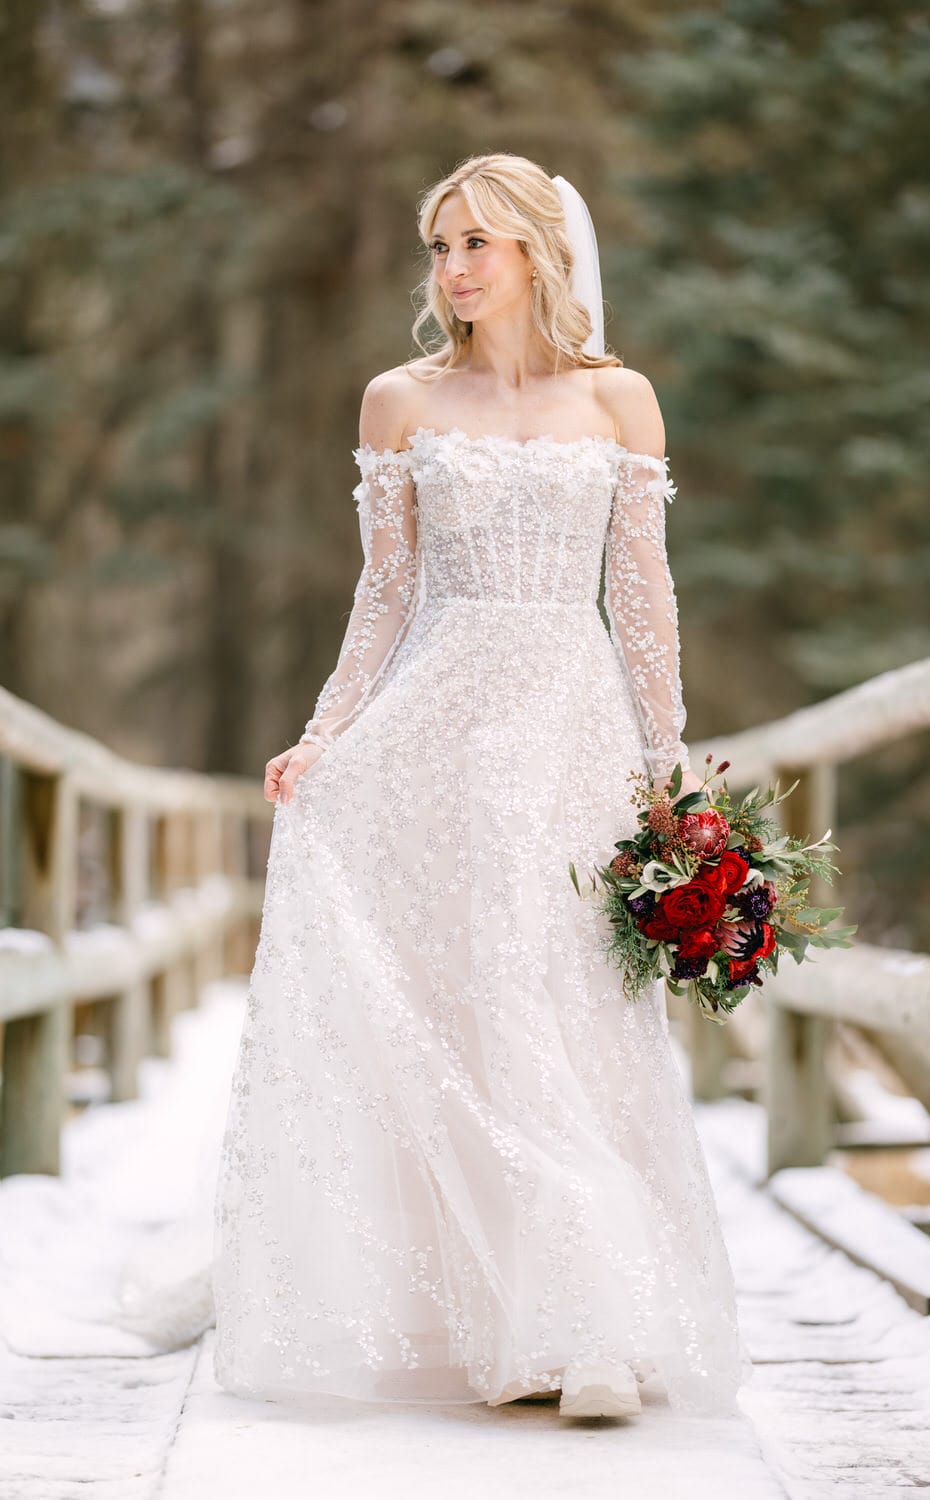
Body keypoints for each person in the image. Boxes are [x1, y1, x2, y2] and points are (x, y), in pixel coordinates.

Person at [211, 151, 754, 1421]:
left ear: (538, 256)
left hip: (569, 727)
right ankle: (512, 1319)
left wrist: (667, 767)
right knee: (465, 1003)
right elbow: (386, 594)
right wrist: (324, 733)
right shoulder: (399, 401)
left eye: (477, 245)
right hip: (436, 728)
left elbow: (643, 603)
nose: (452, 268)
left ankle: (598, 1329)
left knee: (561, 1004)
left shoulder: (619, 403)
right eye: (440, 244)